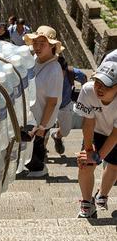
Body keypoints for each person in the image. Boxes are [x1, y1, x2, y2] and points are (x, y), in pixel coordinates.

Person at [74, 62, 117, 218]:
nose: (99, 88)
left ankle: (102, 195)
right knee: (85, 164)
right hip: (97, 130)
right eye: (97, 82)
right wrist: (89, 149)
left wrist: (99, 157)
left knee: (113, 165)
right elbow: (88, 121)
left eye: (106, 85)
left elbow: (115, 134)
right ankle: (87, 202)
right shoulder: (87, 90)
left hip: (115, 133)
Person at [24, 26, 65, 177]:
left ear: (52, 46)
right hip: (31, 114)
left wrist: (42, 126)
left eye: (43, 44)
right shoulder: (35, 60)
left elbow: (52, 102)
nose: (38, 47)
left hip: (42, 117)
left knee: (35, 149)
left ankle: (40, 170)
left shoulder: (54, 70)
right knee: (28, 147)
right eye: (36, 43)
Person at [50, 56, 88, 155]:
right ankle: (41, 153)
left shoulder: (72, 73)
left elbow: (84, 79)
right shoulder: (47, 73)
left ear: (65, 70)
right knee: (43, 130)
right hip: (48, 106)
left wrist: (83, 95)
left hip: (64, 105)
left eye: (59, 73)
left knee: (66, 131)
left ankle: (56, 136)